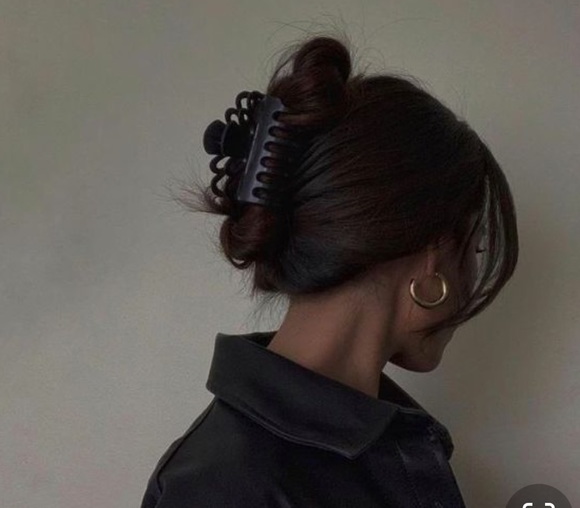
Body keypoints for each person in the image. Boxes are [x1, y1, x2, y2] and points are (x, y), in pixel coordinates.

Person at [140, 33, 519, 507]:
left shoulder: (382, 445)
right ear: (434, 255)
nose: (472, 280)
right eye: (475, 248)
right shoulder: (225, 487)